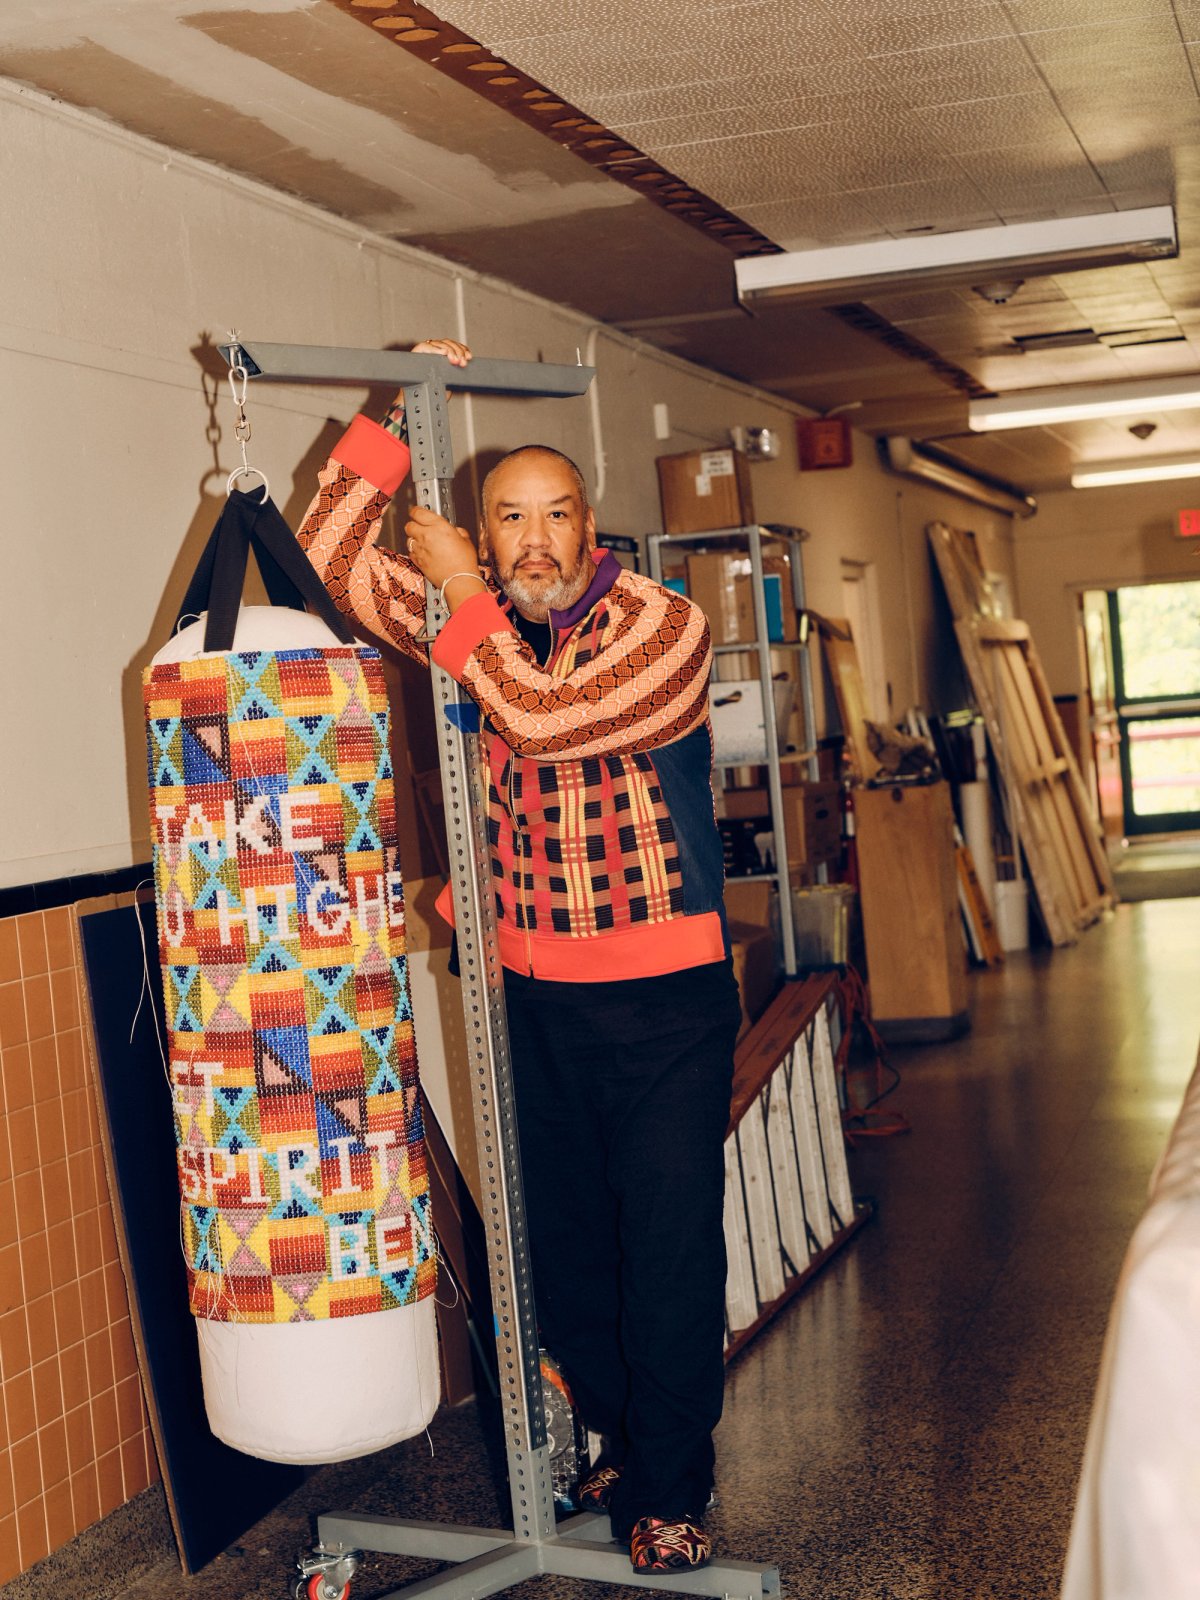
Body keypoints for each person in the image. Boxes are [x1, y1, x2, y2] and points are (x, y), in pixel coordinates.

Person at [294, 337, 741, 1573]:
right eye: (508, 519)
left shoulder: (663, 625)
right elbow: (331, 552)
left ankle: (672, 1488)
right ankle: (622, 1442)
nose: (536, 539)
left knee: (665, 1249)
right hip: (534, 1003)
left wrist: (458, 590)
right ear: (486, 536)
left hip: (666, 1003)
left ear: (590, 527)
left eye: (556, 515)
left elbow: (544, 722)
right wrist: (395, 416)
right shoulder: (466, 614)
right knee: (561, 1252)